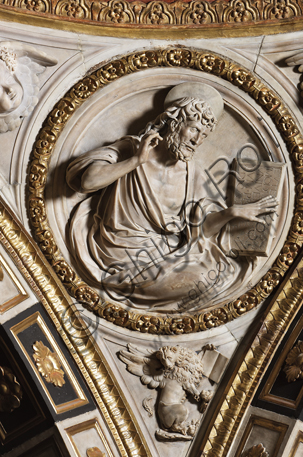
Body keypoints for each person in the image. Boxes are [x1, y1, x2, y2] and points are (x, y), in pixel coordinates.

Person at [66, 83, 277, 312]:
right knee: (208, 278)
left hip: (165, 250)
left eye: (204, 135)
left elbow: (199, 230)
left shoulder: (190, 172)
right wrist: (136, 161)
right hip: (123, 254)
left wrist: (231, 213)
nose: (197, 140)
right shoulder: (132, 148)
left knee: (222, 272)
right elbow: (88, 182)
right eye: (194, 129)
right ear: (174, 122)